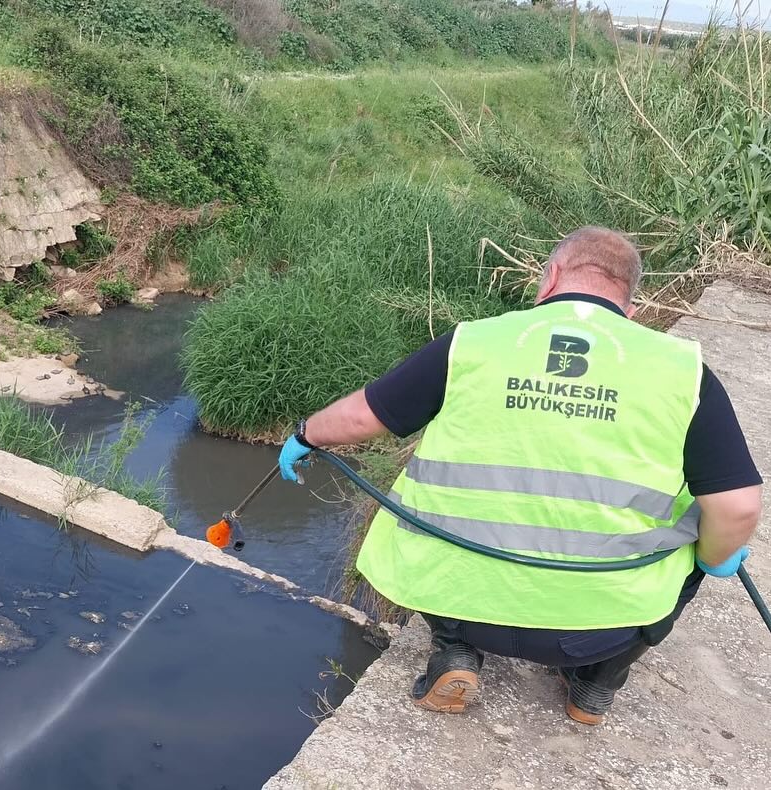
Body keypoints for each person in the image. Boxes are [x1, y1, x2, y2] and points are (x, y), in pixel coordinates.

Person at [278, 226, 763, 725]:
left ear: (550, 278)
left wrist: (306, 434)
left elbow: (362, 418)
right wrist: (715, 558)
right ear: (630, 308)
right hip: (598, 628)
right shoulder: (682, 370)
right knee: (701, 549)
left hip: (464, 601)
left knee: (426, 527)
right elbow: (739, 507)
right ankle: (593, 684)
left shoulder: (472, 342)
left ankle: (455, 653)